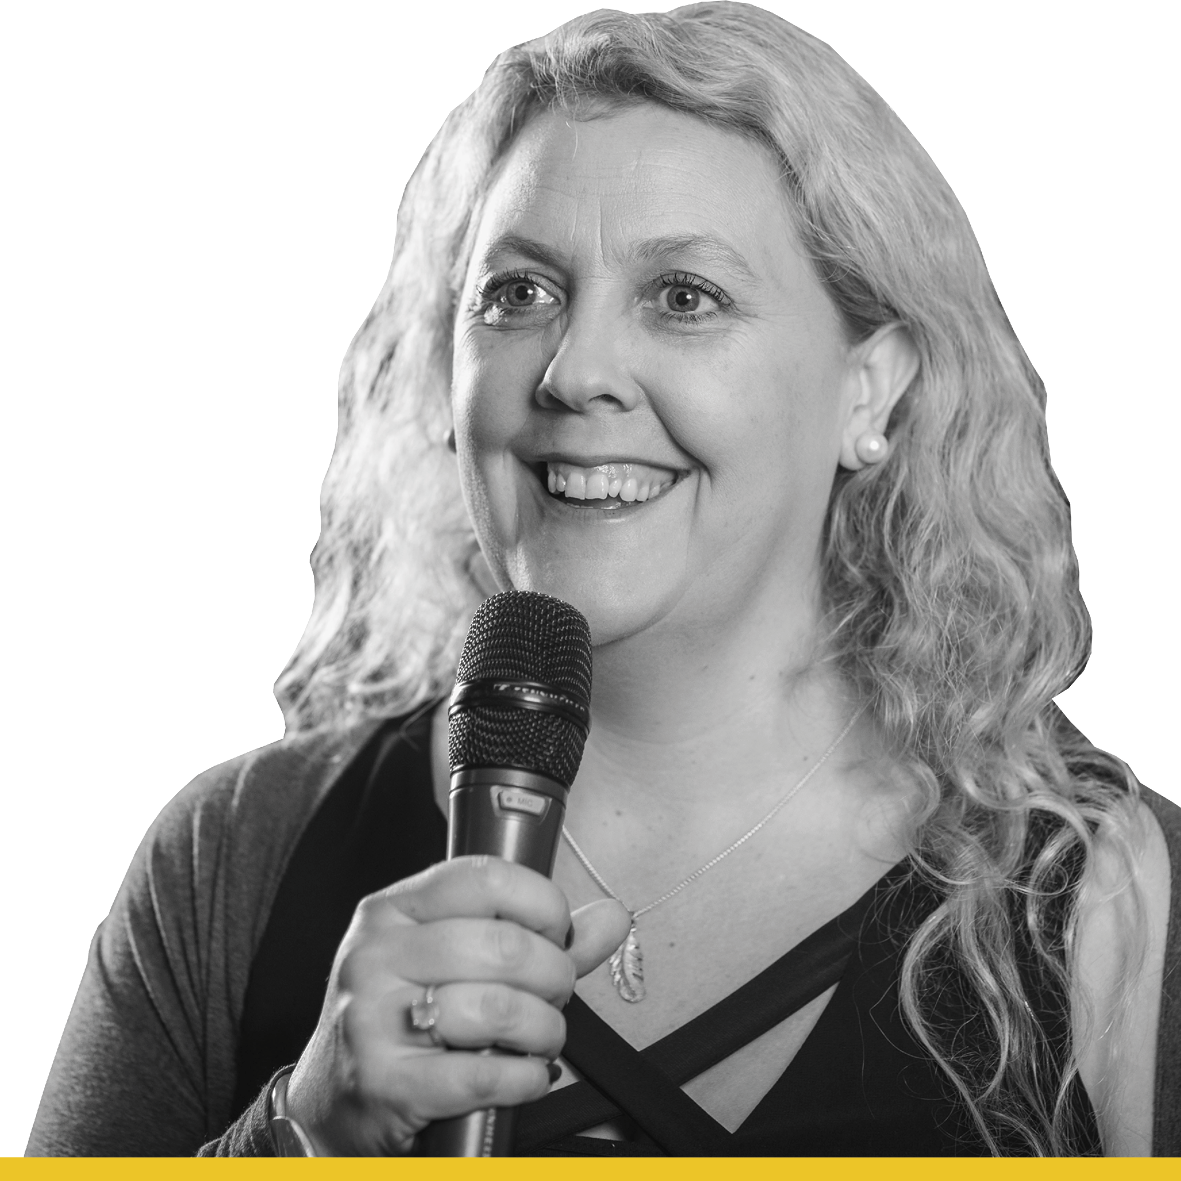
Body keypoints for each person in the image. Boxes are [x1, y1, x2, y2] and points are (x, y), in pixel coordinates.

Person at [27, 2, 1179, 1158]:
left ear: (869, 392)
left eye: (684, 297)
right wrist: (303, 1134)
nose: (574, 372)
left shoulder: (1109, 900)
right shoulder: (234, 855)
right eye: (518, 293)